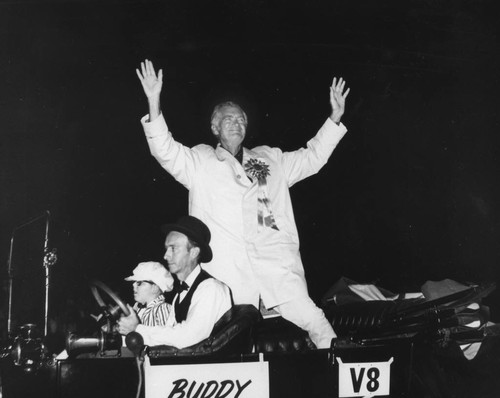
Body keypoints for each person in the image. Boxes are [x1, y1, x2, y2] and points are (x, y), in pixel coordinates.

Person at [136, 59, 350, 348]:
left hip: (277, 269)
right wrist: (153, 101)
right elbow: (164, 150)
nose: (235, 123)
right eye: (228, 119)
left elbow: (312, 157)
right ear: (214, 127)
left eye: (240, 119)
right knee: (227, 344)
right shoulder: (200, 161)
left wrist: (334, 118)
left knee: (315, 320)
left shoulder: (269, 158)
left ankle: (343, 366)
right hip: (228, 276)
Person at [117, 216, 232, 348]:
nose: (166, 255)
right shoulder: (180, 294)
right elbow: (167, 335)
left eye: (173, 248)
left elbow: (188, 336)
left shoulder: (211, 289)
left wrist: (138, 329)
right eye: (167, 249)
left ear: (194, 252)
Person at [124, 261, 174, 326]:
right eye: (134, 282)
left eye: (139, 283)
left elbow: (166, 335)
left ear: (155, 288)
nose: (134, 285)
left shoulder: (163, 309)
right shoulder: (137, 308)